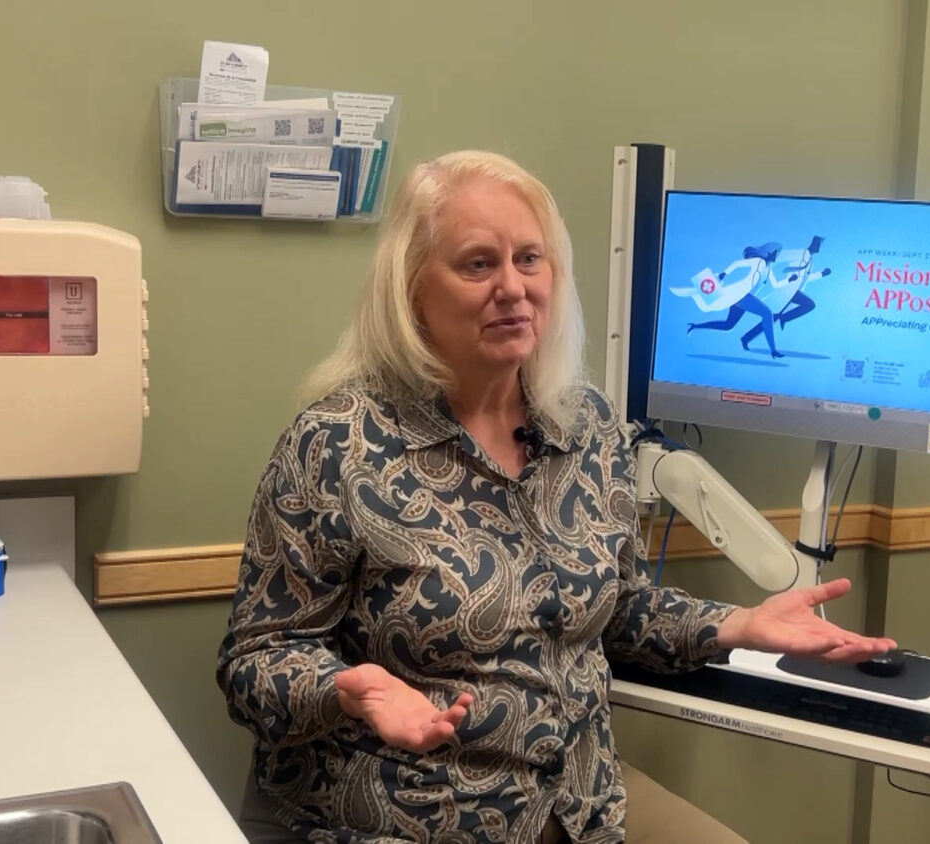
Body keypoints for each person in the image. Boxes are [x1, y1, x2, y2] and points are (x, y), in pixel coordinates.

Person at [216, 151, 895, 843]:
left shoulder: (587, 426)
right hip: (408, 810)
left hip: (579, 804)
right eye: (478, 264)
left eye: (529, 259)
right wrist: (346, 691)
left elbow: (620, 608)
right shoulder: (336, 444)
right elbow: (256, 659)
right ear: (412, 289)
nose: (512, 287)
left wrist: (736, 626)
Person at [685, 243, 788, 358]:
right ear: (770, 252)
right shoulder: (758, 261)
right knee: (767, 313)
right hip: (741, 296)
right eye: (776, 253)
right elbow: (737, 263)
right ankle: (773, 350)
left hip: (743, 298)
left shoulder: (768, 269)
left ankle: (695, 326)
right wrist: (725, 273)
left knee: (728, 325)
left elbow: (775, 284)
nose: (777, 255)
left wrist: (789, 280)